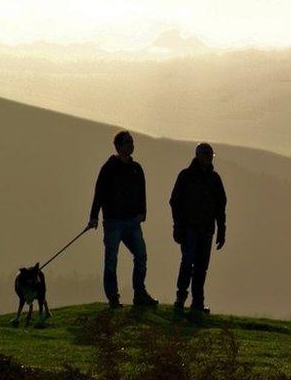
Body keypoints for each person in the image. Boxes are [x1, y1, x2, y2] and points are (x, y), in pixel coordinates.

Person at [87, 130, 159, 308]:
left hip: (132, 221)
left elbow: (142, 192)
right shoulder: (109, 168)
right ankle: (114, 297)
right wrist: (93, 216)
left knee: (141, 255)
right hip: (113, 221)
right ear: (118, 146)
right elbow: (99, 193)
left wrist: (143, 212)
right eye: (128, 143)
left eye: (132, 142)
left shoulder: (137, 168)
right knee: (112, 260)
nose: (131, 145)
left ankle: (139, 294)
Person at [169, 142, 227, 317]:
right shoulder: (186, 176)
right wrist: (178, 226)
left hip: (206, 230)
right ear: (198, 155)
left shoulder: (214, 179)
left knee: (201, 267)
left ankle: (196, 302)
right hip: (190, 229)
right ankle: (182, 299)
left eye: (211, 155)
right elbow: (175, 202)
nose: (209, 158)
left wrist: (221, 230)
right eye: (206, 154)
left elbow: (220, 206)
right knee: (188, 263)